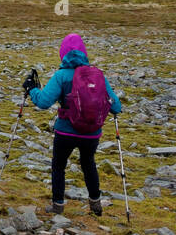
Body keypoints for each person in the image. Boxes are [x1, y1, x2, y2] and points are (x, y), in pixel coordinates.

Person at [24, 33, 122, 216]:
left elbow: (44, 102)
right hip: (92, 133)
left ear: (62, 53)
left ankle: (58, 206)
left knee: (59, 166)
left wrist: (32, 89)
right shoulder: (98, 75)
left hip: (66, 132)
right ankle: (95, 203)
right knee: (88, 163)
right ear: (84, 52)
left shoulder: (61, 75)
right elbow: (116, 106)